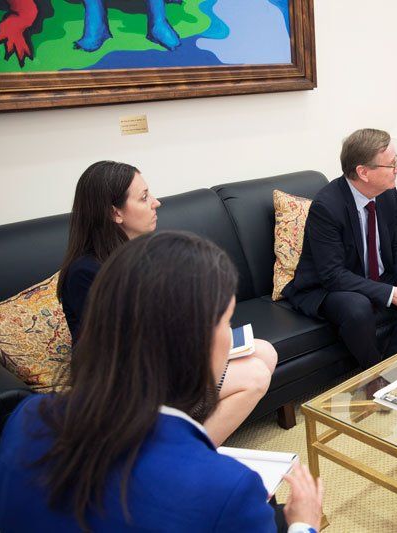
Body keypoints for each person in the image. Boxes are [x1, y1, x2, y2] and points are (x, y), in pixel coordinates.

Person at [0, 232, 323, 532]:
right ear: (193, 342)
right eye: (226, 321)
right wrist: (303, 524)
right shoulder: (228, 488)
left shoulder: (25, 418)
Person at [57, 161, 278, 444]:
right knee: (255, 376)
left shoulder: (139, 251)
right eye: (144, 197)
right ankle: (189, 455)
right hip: (132, 386)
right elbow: (121, 350)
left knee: (265, 352)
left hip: (164, 362)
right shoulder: (85, 273)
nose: (156, 203)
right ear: (115, 213)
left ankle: (182, 433)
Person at [283, 128, 397, 369]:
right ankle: (373, 373)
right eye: (391, 165)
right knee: (357, 308)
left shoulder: (387, 193)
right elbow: (333, 276)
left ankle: (394, 363)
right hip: (328, 287)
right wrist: (393, 295)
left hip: (373, 275)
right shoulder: (327, 207)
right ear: (363, 172)